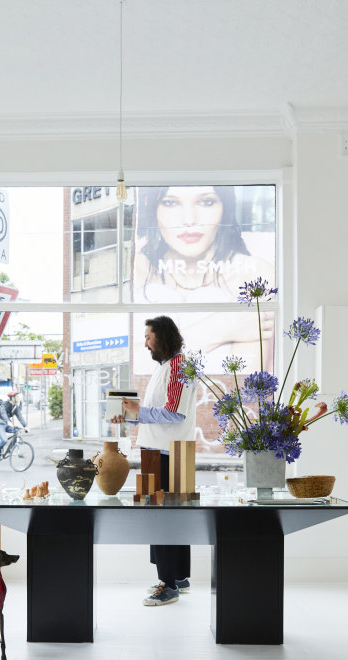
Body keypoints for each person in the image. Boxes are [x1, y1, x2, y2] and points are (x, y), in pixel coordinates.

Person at [132, 185, 275, 372]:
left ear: (225, 206)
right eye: (170, 203)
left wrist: (163, 350)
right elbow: (131, 367)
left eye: (207, 202)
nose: (189, 220)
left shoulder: (253, 272)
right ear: (151, 206)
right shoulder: (137, 270)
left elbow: (246, 384)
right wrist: (220, 327)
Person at [111, 316, 196, 607]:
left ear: (163, 336)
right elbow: (158, 413)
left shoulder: (179, 366)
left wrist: (139, 411)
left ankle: (168, 584)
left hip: (168, 455)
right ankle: (178, 578)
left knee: (163, 520)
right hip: (162, 452)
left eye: (149, 337)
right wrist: (133, 413)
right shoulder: (165, 367)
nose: (146, 343)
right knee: (171, 519)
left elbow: (174, 413)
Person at [0, 390, 28, 458]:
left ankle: (10, 449)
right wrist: (8, 422)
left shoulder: (15, 407)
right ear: (13, 398)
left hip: (7, 424)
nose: (18, 398)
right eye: (17, 397)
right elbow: (3, 413)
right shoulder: (4, 405)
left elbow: (20, 416)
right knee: (4, 440)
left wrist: (25, 426)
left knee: (18, 431)